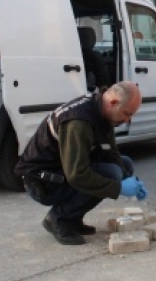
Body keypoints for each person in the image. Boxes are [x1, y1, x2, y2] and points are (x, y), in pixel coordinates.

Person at [15, 81, 148, 245]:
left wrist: (129, 179)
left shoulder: (101, 110)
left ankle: (73, 218)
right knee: (111, 174)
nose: (127, 120)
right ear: (113, 102)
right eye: (127, 113)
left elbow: (111, 152)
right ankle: (59, 219)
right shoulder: (79, 122)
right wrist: (118, 187)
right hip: (42, 183)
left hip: (61, 171)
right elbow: (77, 174)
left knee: (124, 165)